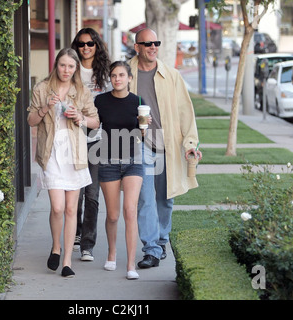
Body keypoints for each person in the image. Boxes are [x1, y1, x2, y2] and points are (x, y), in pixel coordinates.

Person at [128, 28, 202, 269]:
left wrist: (190, 144)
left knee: (166, 198)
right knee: (146, 198)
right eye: (147, 43)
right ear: (137, 47)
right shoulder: (126, 73)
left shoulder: (171, 75)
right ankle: (151, 249)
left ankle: (161, 239)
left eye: (155, 43)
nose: (152, 47)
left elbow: (185, 112)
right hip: (141, 144)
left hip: (168, 144)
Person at [27, 48, 100, 277]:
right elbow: (31, 120)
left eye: (71, 66)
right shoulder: (41, 88)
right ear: (56, 65)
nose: (66, 70)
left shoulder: (80, 91)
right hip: (51, 153)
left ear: (76, 68)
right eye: (62, 65)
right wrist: (46, 106)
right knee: (57, 207)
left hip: (75, 154)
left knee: (71, 208)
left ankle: (67, 261)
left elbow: (95, 122)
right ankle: (56, 247)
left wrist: (80, 117)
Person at [94, 61, 148, 280]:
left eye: (122, 75)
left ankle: (130, 264)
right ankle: (111, 253)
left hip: (133, 160)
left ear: (129, 78)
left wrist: (144, 126)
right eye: (114, 75)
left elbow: (141, 135)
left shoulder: (138, 102)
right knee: (114, 215)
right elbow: (93, 126)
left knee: (130, 211)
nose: (117, 79)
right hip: (108, 161)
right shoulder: (100, 101)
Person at [71, 28, 112, 261]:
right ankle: (76, 232)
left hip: (97, 139)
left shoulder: (105, 73)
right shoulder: (70, 69)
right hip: (73, 139)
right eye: (81, 44)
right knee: (75, 193)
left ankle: (88, 244)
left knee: (93, 194)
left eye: (90, 43)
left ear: (97, 45)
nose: (86, 47)